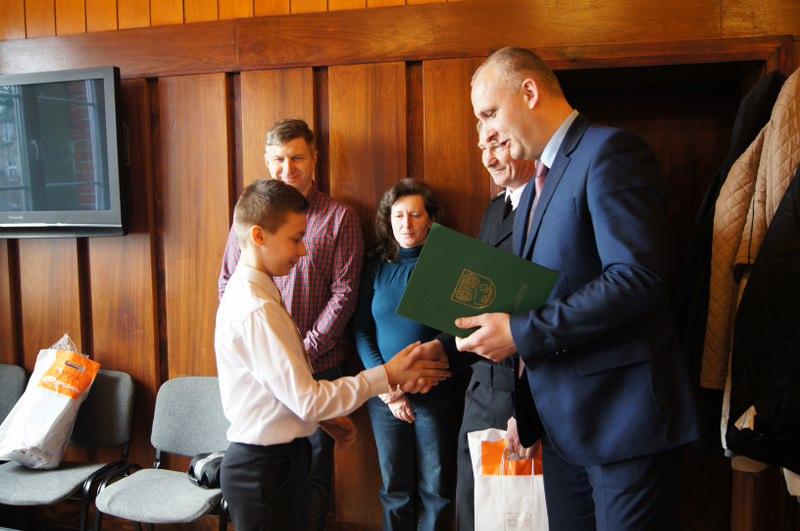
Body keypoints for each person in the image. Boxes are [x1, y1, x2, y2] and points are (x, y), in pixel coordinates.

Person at [420, 47, 700, 530]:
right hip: (558, 430)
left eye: (490, 113)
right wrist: (521, 408)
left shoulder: (610, 152)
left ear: (529, 91)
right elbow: (536, 298)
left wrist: (520, 333)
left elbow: (637, 279)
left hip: (622, 424)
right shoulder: (534, 187)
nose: (488, 132)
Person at [215, 178, 450, 531]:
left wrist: (324, 420)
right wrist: (387, 376)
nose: (303, 251)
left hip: (278, 460)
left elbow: (277, 388)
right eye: (295, 239)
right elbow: (307, 400)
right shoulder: (255, 309)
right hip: (263, 468)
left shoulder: (261, 295)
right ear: (259, 236)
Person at [218, 118, 363, 530]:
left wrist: (302, 353)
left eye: (297, 158)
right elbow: (227, 282)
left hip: (322, 364)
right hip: (265, 377)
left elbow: (344, 294)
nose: (288, 168)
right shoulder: (250, 218)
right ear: (267, 161)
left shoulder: (339, 217)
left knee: (311, 476)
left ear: (314, 159)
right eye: (279, 159)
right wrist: (277, 355)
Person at [353, 179, 462, 531]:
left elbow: (461, 326)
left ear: (431, 219)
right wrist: (388, 388)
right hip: (385, 396)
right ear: (388, 220)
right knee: (394, 490)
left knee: (437, 490)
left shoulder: (447, 266)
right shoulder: (376, 266)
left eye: (415, 214)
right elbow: (361, 331)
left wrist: (422, 376)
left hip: (436, 393)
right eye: (398, 215)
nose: (406, 224)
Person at [452, 126, 536, 531]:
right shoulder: (495, 209)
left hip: (519, 387)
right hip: (480, 384)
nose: (488, 158)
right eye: (482, 146)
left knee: (513, 513)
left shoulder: (545, 206)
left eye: (498, 144)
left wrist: (526, 409)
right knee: (472, 504)